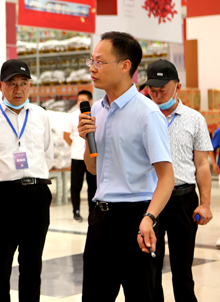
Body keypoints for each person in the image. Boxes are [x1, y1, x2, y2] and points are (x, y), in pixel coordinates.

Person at [78, 32, 174, 302]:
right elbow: (93, 169)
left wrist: (149, 218)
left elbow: (166, 177)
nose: (92, 68)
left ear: (125, 66)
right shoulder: (96, 110)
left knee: (142, 294)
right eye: (91, 61)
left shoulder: (147, 113)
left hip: (137, 219)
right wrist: (86, 139)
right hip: (100, 218)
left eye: (99, 62)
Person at [0, 59, 54, 302]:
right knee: (1, 262)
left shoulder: (40, 115)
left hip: (37, 194)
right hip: (3, 197)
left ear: (30, 85)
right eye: (12, 83)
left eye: (24, 83)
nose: (18, 89)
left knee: (32, 262)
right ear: (1, 85)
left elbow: (47, 154)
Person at [140, 59, 213, 302]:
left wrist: (205, 204)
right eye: (152, 90)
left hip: (183, 200)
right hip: (150, 201)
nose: (157, 95)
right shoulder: (143, 116)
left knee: (182, 270)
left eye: (162, 89)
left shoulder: (194, 119)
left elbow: (202, 165)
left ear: (178, 87)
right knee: (150, 269)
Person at [63, 90, 96, 222]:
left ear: (90, 101)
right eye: (78, 100)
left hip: (92, 157)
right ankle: (76, 211)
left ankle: (92, 212)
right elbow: (66, 136)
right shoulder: (72, 116)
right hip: (77, 157)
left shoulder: (94, 115)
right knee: (76, 187)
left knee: (92, 187)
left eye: (83, 100)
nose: (80, 103)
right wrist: (75, 146)